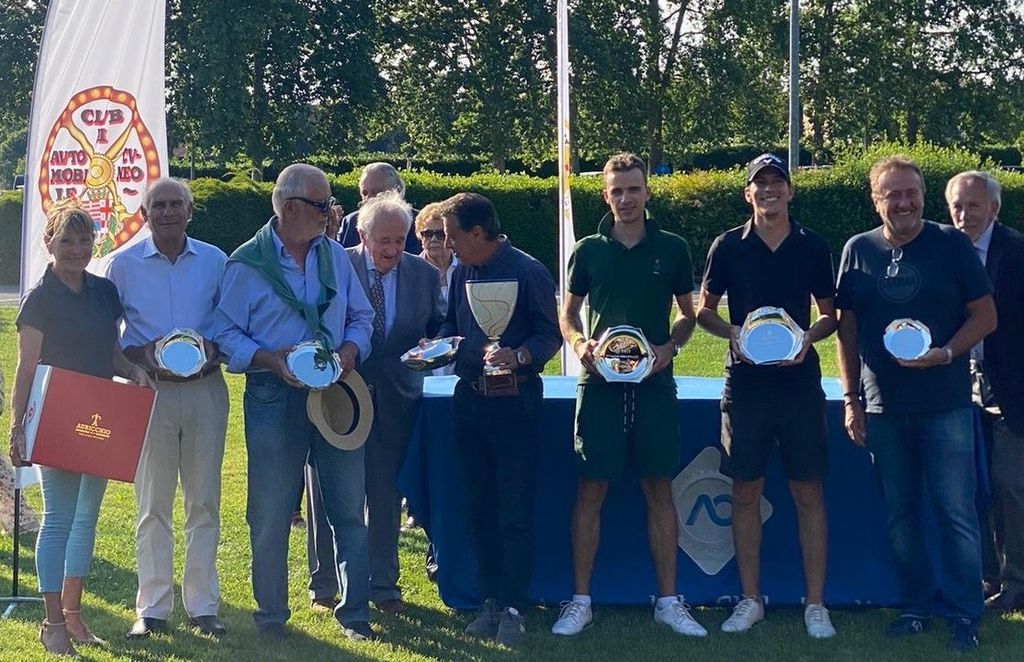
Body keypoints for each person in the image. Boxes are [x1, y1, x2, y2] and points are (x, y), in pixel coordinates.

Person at [836, 156, 997, 653]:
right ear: (875, 200)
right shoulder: (858, 250)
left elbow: (985, 316)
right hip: (883, 408)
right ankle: (915, 606)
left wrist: (946, 353)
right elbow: (846, 331)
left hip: (945, 405)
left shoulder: (951, 244)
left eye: (912, 193)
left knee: (956, 514)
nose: (904, 203)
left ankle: (965, 613)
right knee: (899, 516)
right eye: (893, 195)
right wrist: (851, 398)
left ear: (923, 196)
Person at [213, 163, 377, 641]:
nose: (331, 213)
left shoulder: (335, 256)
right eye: (322, 205)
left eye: (329, 203)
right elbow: (222, 333)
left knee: (349, 507)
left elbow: (362, 317)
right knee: (270, 512)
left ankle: (355, 614)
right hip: (273, 394)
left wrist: (350, 352)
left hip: (336, 392)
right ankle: (271, 617)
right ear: (289, 208)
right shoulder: (246, 264)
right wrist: (268, 358)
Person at [551, 153, 704, 638]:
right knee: (590, 488)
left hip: (655, 384)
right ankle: (580, 601)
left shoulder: (673, 248)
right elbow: (567, 314)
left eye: (633, 189)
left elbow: (687, 314)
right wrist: (580, 344)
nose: (626, 198)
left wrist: (669, 348)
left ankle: (669, 601)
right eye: (617, 190)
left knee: (659, 488)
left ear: (647, 192)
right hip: (599, 384)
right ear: (606, 195)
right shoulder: (588, 251)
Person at [696, 154, 837, 638]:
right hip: (746, 385)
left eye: (778, 182)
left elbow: (829, 315)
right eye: (761, 183)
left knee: (808, 491)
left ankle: (815, 604)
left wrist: (808, 338)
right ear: (748, 193)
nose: (770, 190)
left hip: (799, 384)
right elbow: (704, 311)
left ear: (790, 191)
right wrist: (733, 333)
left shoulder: (813, 245)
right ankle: (750, 599)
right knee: (744, 492)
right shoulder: (727, 246)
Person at [8, 199, 152, 655]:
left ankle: (73, 614)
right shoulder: (39, 299)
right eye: (66, 240)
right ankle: (52, 623)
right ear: (49, 242)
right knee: (59, 519)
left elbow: (111, 353)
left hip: (100, 417)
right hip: (56, 418)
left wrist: (133, 371)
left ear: (95, 243)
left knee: (86, 518)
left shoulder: (104, 291)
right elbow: (25, 368)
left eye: (84, 240)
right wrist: (16, 428)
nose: (75, 249)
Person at [106, 178, 230, 639]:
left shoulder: (216, 261)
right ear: (145, 214)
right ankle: (153, 608)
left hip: (204, 390)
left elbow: (232, 325)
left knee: (204, 501)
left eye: (176, 204)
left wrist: (215, 349)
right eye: (158, 205)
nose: (168, 212)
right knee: (152, 503)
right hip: (150, 392)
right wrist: (143, 355)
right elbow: (110, 338)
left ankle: (203, 606)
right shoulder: (122, 266)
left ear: (190, 211)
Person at [435, 192, 561, 646]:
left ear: (476, 233)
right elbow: (451, 326)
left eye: (452, 237)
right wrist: (438, 346)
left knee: (514, 509)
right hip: (469, 401)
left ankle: (514, 605)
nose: (447, 245)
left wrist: (520, 355)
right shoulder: (461, 272)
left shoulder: (529, 271)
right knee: (478, 506)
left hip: (515, 404)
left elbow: (550, 335)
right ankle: (490, 599)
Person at [344, 190, 444, 611]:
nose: (392, 249)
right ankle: (327, 584)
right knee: (339, 495)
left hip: (397, 397)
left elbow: (439, 325)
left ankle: (383, 586)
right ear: (363, 236)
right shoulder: (339, 266)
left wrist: (431, 347)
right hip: (341, 396)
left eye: (400, 240)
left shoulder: (423, 274)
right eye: (383, 241)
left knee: (385, 494)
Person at [946, 170, 1024, 613]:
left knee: (1010, 484)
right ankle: (987, 575)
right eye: (957, 206)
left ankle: (1016, 583)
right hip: (960, 387)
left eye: (973, 206)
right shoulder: (944, 250)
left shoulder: (1017, 252)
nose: (964, 215)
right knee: (973, 486)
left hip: (1013, 389)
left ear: (994, 208)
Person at [336, 162, 422, 254]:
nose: (368, 198)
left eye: (376, 192)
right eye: (364, 193)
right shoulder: (351, 222)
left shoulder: (420, 223)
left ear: (396, 191)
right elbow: (338, 257)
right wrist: (331, 235)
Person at [416, 202, 459, 378]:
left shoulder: (464, 269)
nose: (433, 239)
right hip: (423, 355)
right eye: (427, 234)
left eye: (440, 234)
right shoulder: (412, 272)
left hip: (459, 356)